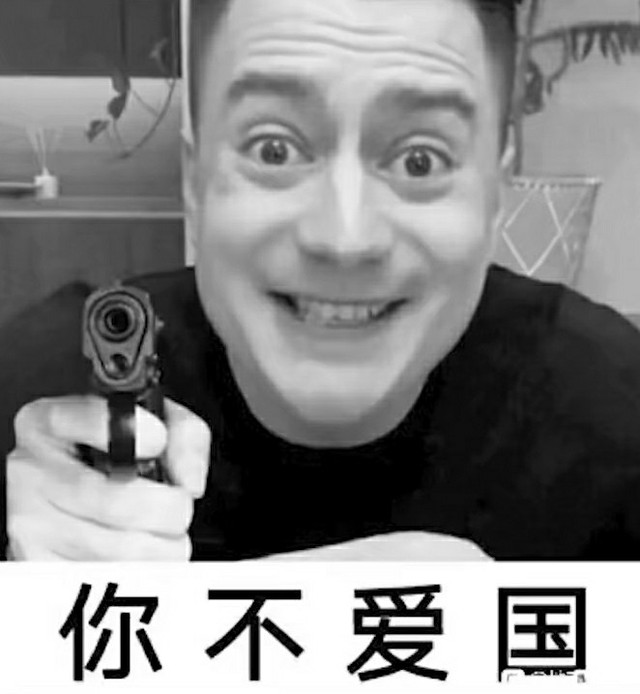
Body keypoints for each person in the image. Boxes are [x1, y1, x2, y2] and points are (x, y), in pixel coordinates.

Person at [3, 0, 640, 562]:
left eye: (420, 161)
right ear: (195, 184)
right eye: (273, 150)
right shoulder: (45, 388)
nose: (344, 239)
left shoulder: (615, 410)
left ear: (497, 195)